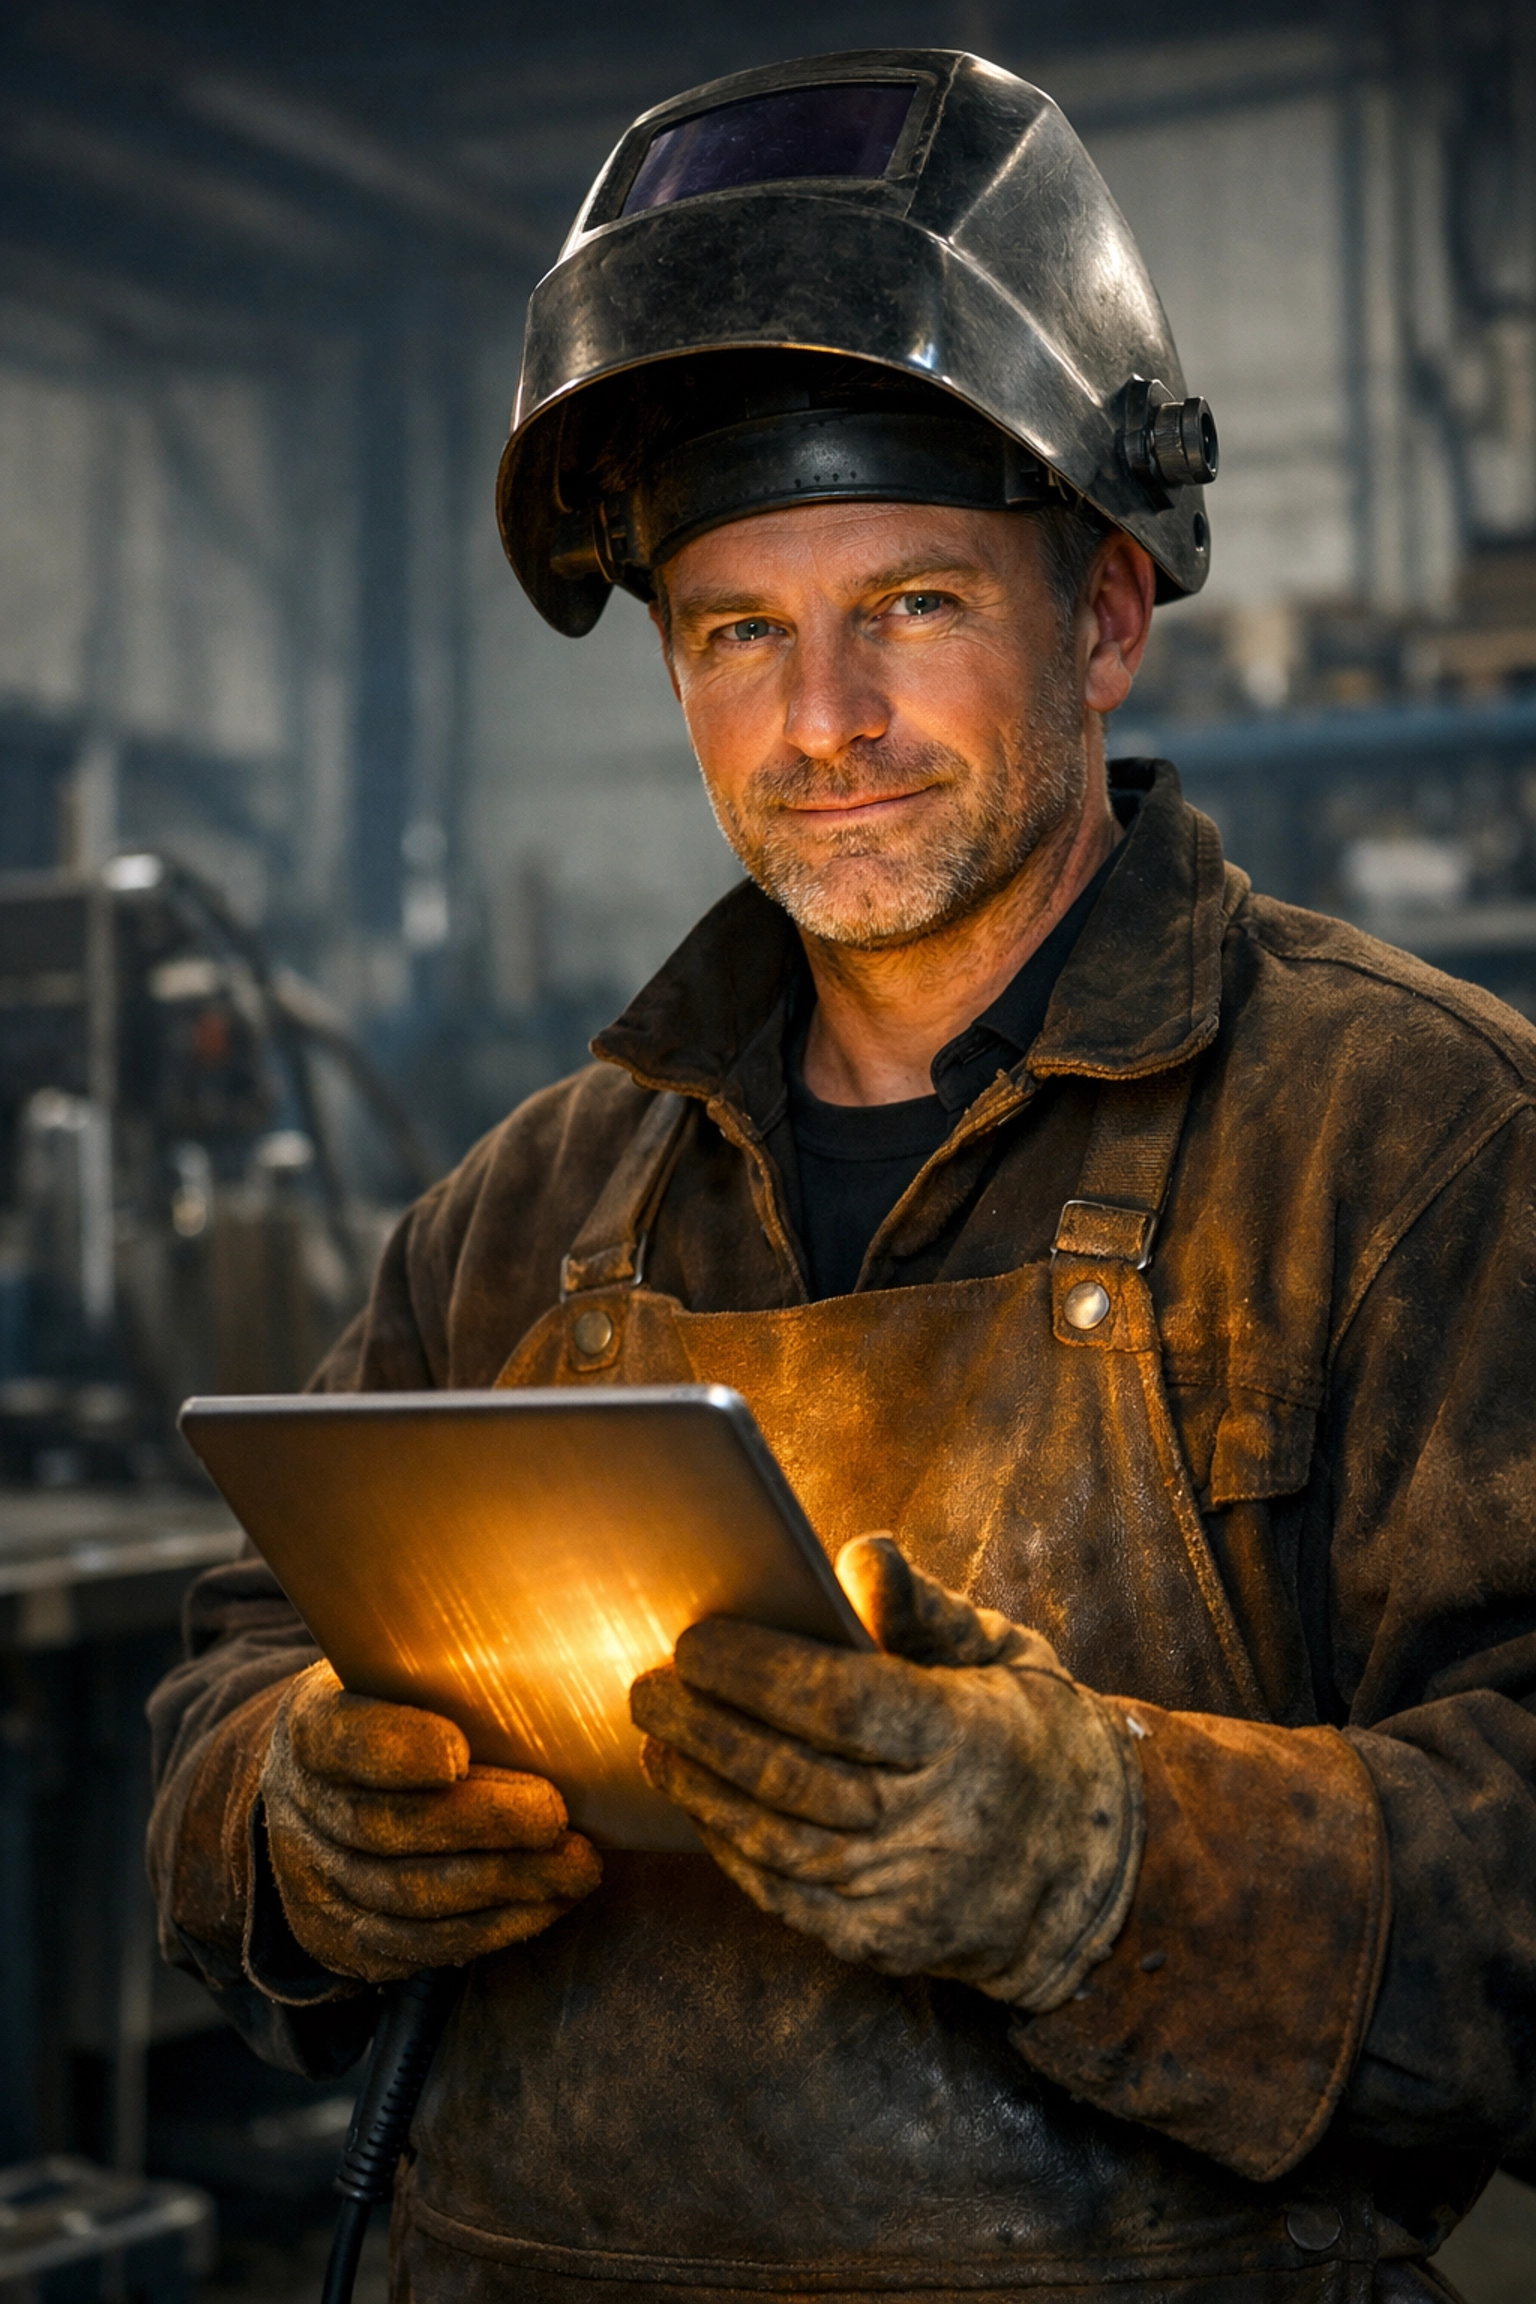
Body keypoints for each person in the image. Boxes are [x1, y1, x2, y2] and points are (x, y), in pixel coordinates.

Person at [148, 50, 1536, 2304]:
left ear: (1101, 614)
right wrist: (289, 1819)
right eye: (739, 636)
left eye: (908, 605)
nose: (824, 721)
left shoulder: (1412, 1153)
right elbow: (231, 1674)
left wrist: (1108, 1862)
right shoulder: (528, 1213)